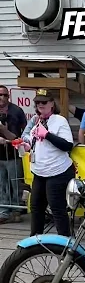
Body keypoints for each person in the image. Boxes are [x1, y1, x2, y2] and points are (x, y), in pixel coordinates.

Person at [21, 89, 75, 236]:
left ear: (52, 103)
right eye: (37, 102)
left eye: (44, 102)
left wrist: (47, 135)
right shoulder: (36, 120)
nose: (40, 105)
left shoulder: (59, 120)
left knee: (57, 208)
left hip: (57, 171)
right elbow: (35, 142)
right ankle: (34, 241)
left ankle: (65, 243)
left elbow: (67, 145)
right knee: (36, 206)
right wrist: (26, 146)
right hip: (40, 171)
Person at [0, 85, 27, 224]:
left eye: (5, 95)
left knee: (15, 183)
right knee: (1, 184)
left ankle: (16, 210)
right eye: (0, 95)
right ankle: (4, 211)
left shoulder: (17, 110)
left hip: (13, 154)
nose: (2, 97)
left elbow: (25, 129)